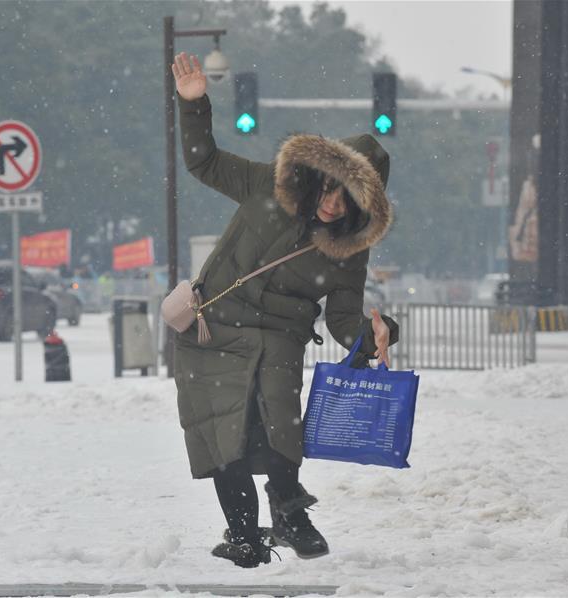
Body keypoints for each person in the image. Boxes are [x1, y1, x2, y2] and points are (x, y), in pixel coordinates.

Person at [171, 52, 400, 568]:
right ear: (319, 174)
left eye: (350, 200)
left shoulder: (349, 247)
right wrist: (193, 105)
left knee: (278, 424)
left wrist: (374, 333)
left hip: (280, 336)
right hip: (214, 329)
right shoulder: (264, 187)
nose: (335, 205)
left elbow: (343, 319)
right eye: (333, 188)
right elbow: (203, 160)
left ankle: (292, 511)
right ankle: (245, 534)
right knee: (220, 434)